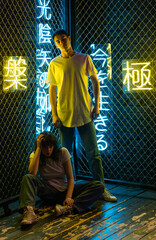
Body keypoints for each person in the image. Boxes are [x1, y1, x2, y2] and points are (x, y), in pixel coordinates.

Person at [47, 29, 117, 202]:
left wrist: (97, 105)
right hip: (64, 114)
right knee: (65, 153)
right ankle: (65, 190)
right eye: (58, 41)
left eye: (64, 39)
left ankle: (100, 189)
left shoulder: (84, 58)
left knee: (93, 153)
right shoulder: (54, 63)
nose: (62, 43)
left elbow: (95, 80)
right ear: (55, 44)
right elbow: (52, 89)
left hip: (85, 112)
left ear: (69, 39)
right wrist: (54, 114)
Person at [19, 131, 104, 225]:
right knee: (28, 177)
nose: (48, 150)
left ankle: (69, 208)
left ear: (54, 146)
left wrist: (68, 197)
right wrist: (38, 148)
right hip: (49, 192)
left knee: (99, 186)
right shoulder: (35, 155)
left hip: (65, 189)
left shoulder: (62, 152)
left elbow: (70, 178)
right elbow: (32, 173)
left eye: (50, 146)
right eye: (45, 146)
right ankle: (29, 212)